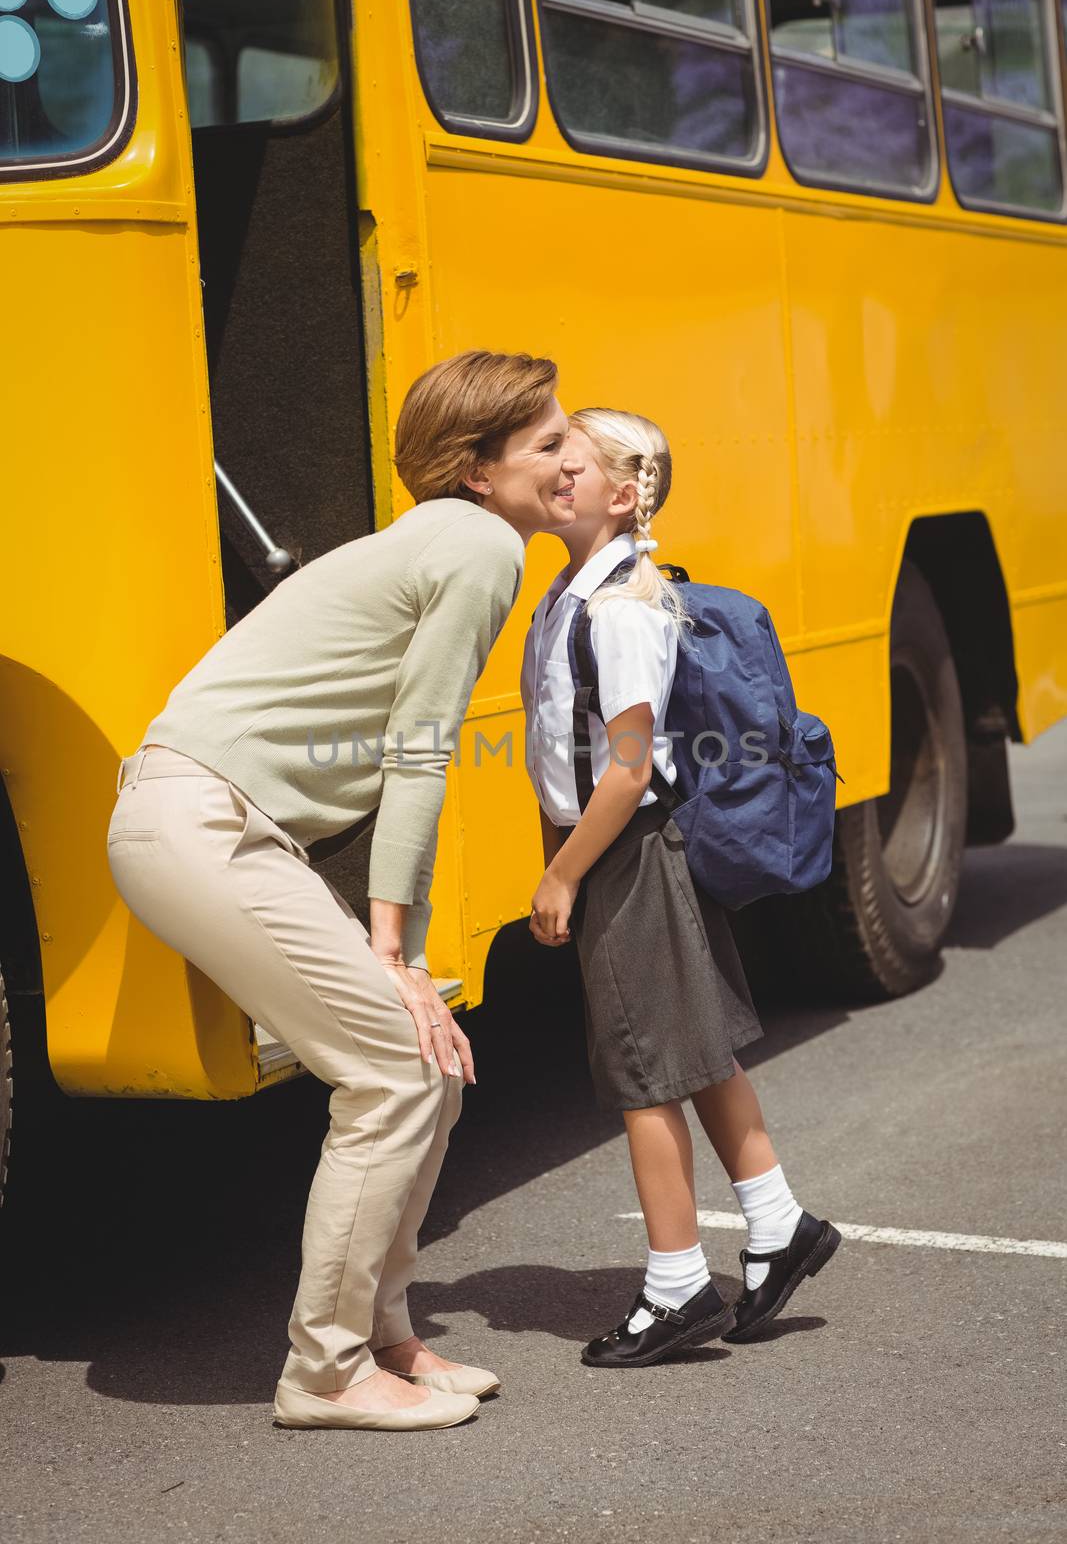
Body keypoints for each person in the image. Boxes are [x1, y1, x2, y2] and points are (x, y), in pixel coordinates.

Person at [107, 350, 582, 1429]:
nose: (574, 458)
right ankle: (323, 1371)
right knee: (392, 1071)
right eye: (547, 443)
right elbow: (420, 754)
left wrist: (401, 967)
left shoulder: (442, 536)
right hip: (201, 825)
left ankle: (384, 1338)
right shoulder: (476, 547)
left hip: (214, 824)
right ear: (477, 470)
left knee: (423, 1063)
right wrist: (393, 953)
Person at [520, 407, 840, 1367]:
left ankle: (675, 1287)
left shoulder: (620, 610)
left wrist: (562, 875)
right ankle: (779, 1225)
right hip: (630, 847)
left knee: (643, 1075)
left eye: (571, 465)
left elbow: (622, 771)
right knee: (692, 1050)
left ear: (623, 497)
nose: (554, 475)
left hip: (626, 851)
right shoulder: (573, 594)